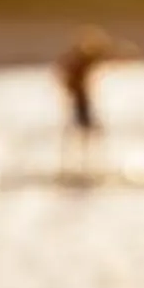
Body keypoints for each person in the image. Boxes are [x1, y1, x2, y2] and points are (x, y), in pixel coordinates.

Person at [55, 28, 116, 181]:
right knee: (87, 132)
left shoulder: (79, 61)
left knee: (81, 132)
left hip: (81, 100)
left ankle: (80, 165)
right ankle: (82, 166)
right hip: (81, 101)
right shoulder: (78, 61)